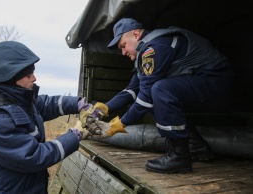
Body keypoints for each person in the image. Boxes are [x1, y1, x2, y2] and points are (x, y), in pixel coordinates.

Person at [88, 18, 234, 174]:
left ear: (136, 35)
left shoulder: (155, 47)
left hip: (217, 84)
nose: (123, 52)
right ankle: (196, 147)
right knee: (156, 95)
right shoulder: (145, 53)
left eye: (123, 46)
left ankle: (179, 157)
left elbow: (145, 98)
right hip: (204, 86)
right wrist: (102, 109)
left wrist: (114, 127)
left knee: (159, 91)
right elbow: (131, 90)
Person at [0, 41, 100, 193]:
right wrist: (74, 135)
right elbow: (35, 157)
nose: (34, 78)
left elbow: (45, 104)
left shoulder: (20, 101)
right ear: (10, 79)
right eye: (28, 75)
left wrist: (78, 104)